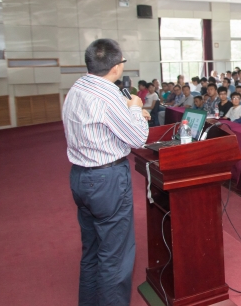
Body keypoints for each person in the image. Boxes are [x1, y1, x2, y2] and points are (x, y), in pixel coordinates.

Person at [63, 39, 149, 306]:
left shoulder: (76, 88)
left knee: (92, 252)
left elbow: (99, 125)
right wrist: (135, 108)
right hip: (107, 180)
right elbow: (138, 139)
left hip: (80, 177)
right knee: (115, 257)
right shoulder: (110, 95)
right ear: (116, 67)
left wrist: (129, 114)